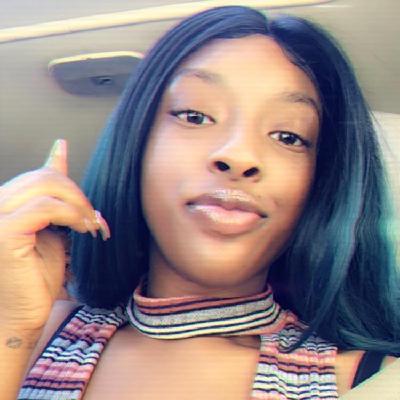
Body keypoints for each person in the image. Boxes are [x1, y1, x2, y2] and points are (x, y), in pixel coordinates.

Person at [0, 5, 399, 400]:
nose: (239, 156)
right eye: (194, 116)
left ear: (320, 185)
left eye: (288, 136)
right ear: (137, 144)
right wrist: (12, 324)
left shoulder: (373, 381)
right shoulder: (32, 334)